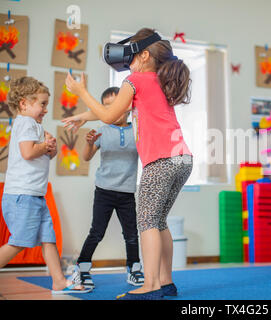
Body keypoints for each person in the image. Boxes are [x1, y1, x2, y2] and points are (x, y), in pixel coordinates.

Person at [62, 27, 192, 300]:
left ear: (143, 55)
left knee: (146, 222)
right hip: (182, 158)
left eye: (132, 52)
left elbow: (109, 116)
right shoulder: (157, 80)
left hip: (161, 161)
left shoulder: (135, 79)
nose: (127, 59)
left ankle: (151, 285)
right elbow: (116, 111)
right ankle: (166, 283)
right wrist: (85, 116)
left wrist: (82, 91)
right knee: (158, 222)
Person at [0, 76, 91, 294]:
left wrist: (50, 149)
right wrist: (43, 146)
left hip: (35, 195)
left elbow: (39, 155)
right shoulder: (26, 123)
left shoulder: (34, 125)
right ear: (24, 103)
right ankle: (59, 280)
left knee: (49, 239)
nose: (45, 110)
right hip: (23, 196)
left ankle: (58, 281)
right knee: (20, 241)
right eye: (41, 104)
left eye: (46, 105)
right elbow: (28, 152)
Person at [70, 87, 144, 289]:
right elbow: (86, 157)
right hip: (104, 191)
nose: (112, 111)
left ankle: (134, 269)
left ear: (126, 106)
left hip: (127, 192)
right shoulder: (102, 129)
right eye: (107, 107)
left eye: (116, 105)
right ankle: (82, 269)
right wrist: (89, 143)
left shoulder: (137, 129)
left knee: (131, 233)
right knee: (97, 232)